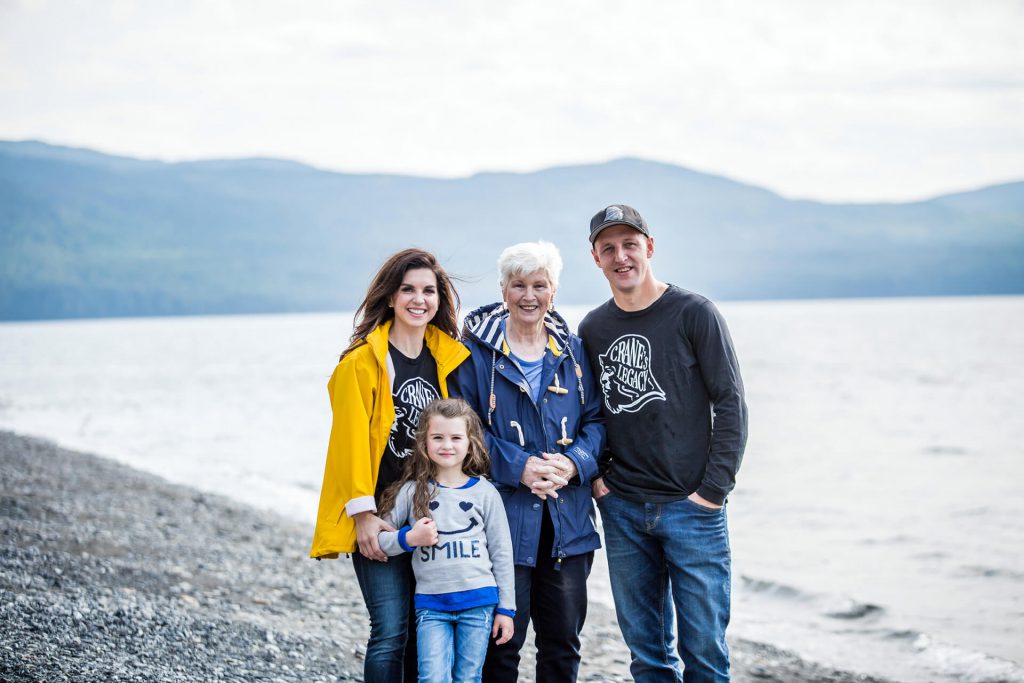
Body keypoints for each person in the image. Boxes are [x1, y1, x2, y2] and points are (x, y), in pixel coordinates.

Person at [578, 205, 748, 683]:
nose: (621, 256)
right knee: (648, 657)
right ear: (595, 258)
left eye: (630, 244)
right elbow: (587, 411)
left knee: (706, 655)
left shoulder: (694, 313)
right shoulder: (593, 329)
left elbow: (731, 403)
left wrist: (713, 491)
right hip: (625, 508)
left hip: (692, 508)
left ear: (649, 248)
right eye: (608, 248)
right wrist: (598, 480)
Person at [309, 248, 470, 683]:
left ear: (439, 299)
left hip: (431, 515)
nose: (419, 300)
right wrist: (362, 516)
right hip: (379, 517)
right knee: (390, 630)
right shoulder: (361, 363)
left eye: (428, 291)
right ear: (391, 297)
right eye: (408, 290)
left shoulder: (449, 361)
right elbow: (347, 445)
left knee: (428, 629)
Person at [452, 241, 605, 682]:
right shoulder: (474, 356)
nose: (529, 295)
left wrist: (572, 463)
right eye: (518, 285)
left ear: (553, 291)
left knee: (562, 645)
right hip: (500, 519)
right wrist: (519, 465)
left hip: (567, 523)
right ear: (503, 290)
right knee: (500, 645)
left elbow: (596, 422)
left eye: (539, 285)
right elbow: (466, 428)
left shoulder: (575, 353)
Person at [377, 398, 516, 683]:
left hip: (479, 602)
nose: (447, 445)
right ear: (424, 442)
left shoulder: (485, 493)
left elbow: (502, 553)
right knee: (431, 678)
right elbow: (380, 540)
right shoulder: (412, 491)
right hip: (431, 606)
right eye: (437, 437)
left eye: (455, 437)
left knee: (468, 678)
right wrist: (409, 538)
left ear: (470, 443)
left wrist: (506, 609)